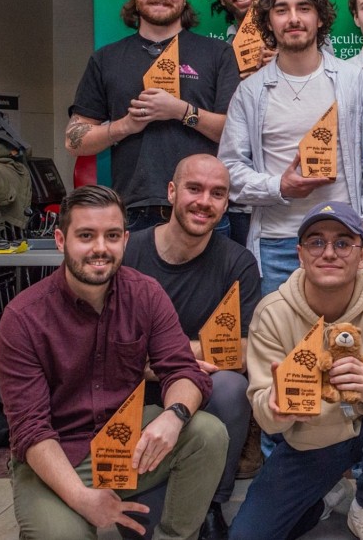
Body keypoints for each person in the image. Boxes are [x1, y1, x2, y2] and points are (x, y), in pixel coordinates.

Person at [0, 185, 227, 539]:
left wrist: (174, 415)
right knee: (62, 535)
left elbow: (182, 370)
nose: (101, 248)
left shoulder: (146, 293)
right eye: (86, 236)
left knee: (207, 432)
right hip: (56, 451)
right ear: (60, 240)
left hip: (124, 439)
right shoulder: (23, 317)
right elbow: (30, 430)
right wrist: (81, 498)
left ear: (125, 240)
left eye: (112, 235)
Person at [229, 201, 363, 540]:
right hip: (311, 441)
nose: (328, 253)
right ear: (299, 253)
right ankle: (324, 490)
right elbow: (265, 415)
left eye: (342, 243)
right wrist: (279, 407)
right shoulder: (272, 313)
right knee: (248, 536)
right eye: (316, 242)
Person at [122, 154, 261, 540]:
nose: (205, 201)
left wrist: (170, 357)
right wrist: (153, 361)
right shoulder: (127, 252)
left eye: (217, 193)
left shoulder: (238, 263)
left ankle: (214, 500)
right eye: (194, 188)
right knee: (143, 530)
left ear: (226, 203)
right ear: (171, 191)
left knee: (233, 387)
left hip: (199, 386)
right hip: (127, 389)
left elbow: (245, 348)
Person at [219, 0, 363, 297]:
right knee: (281, 345)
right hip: (277, 244)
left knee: (352, 343)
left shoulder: (354, 82)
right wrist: (279, 186)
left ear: (319, 17)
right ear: (268, 21)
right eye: (281, 10)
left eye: (303, 8)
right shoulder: (250, 92)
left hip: (345, 237)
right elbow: (230, 172)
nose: (293, 19)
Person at [66, 0, 241, 232]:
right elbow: (74, 141)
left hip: (204, 209)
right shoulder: (106, 59)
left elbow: (234, 133)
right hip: (134, 213)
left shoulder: (218, 54)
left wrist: (180, 111)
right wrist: (125, 126)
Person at [190, 0, 290, 245]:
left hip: (291, 193)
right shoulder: (219, 51)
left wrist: (289, 63)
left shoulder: (302, 35)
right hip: (237, 200)